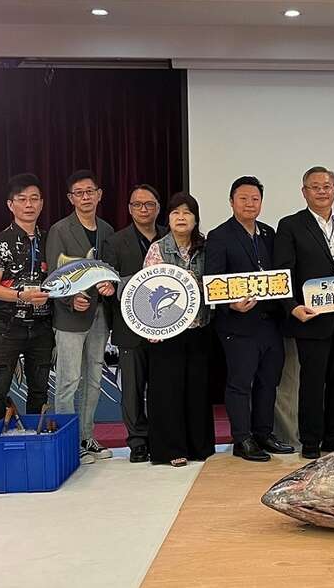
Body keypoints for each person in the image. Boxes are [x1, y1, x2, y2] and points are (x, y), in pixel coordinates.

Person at [272, 167, 334, 460]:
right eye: (315, 187)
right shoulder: (290, 225)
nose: (322, 191)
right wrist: (292, 307)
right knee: (312, 382)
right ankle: (311, 440)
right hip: (310, 317)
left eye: (327, 186)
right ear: (304, 192)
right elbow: (283, 273)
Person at [206, 176, 294, 462]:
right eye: (243, 198)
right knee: (240, 383)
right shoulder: (219, 236)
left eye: (255, 199)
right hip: (238, 325)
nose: (249, 204)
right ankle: (242, 439)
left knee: (269, 381)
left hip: (270, 322)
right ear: (231, 202)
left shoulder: (269, 233)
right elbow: (212, 280)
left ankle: (263, 433)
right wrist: (231, 304)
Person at [45, 169, 115, 465]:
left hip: (100, 315)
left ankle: (87, 437)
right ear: (70, 198)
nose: (85, 197)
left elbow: (109, 269)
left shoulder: (107, 230)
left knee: (94, 378)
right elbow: (52, 277)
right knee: (68, 380)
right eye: (79, 193)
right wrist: (71, 299)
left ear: (99, 195)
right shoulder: (60, 230)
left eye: (90, 191)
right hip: (70, 317)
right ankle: (68, 443)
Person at [144, 193, 215, 467]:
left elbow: (216, 283)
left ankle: (199, 447)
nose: (181, 217)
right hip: (167, 332)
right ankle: (171, 449)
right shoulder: (158, 249)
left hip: (199, 328)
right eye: (175, 213)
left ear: (195, 219)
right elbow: (148, 289)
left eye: (187, 213)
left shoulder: (206, 247)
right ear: (169, 218)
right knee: (168, 392)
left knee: (197, 390)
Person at [99, 184, 166, 464]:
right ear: (129, 209)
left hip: (166, 326)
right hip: (130, 327)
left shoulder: (170, 237)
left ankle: (163, 437)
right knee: (133, 389)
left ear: (158, 208)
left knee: (164, 386)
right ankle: (137, 441)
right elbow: (109, 287)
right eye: (137, 204)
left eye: (149, 204)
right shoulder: (114, 242)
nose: (143, 209)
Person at [0, 173, 53, 428]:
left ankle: (36, 441)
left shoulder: (50, 240)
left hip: (42, 327)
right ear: (11, 205)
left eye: (34, 198)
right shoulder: (0, 243)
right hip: (7, 327)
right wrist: (22, 295)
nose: (29, 204)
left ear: (42, 203)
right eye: (22, 199)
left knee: (40, 391)